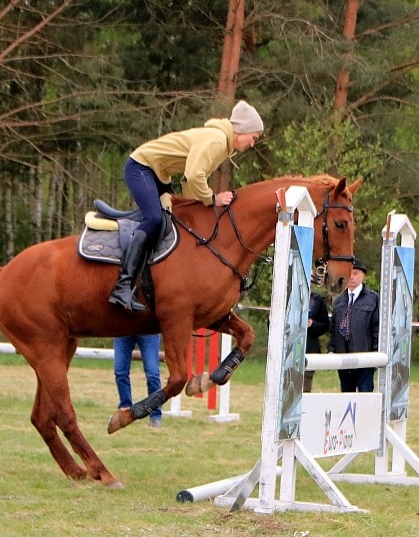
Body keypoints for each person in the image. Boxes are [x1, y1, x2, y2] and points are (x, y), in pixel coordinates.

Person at [109, 100, 266, 312]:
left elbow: (188, 181)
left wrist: (200, 212)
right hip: (141, 167)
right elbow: (194, 176)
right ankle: (123, 287)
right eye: (253, 138)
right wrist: (212, 199)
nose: (252, 144)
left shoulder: (223, 143)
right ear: (242, 131)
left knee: (178, 220)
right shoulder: (217, 141)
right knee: (154, 219)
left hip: (159, 173)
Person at [328, 258, 380, 393]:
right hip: (343, 359)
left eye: (355, 273)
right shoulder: (339, 301)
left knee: (364, 396)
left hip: (365, 358)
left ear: (363, 275)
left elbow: (376, 327)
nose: (352, 277)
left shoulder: (373, 299)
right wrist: (332, 350)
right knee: (346, 398)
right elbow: (333, 330)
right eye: (349, 273)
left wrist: (375, 352)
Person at [113, 333, 163, 428]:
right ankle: (125, 410)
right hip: (123, 329)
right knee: (120, 372)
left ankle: (155, 415)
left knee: (153, 374)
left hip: (148, 330)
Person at [304, 286, 330, 392]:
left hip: (308, 351)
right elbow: (271, 325)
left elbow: (325, 326)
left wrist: (313, 325)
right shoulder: (284, 296)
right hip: (287, 352)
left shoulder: (318, 300)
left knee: (304, 392)